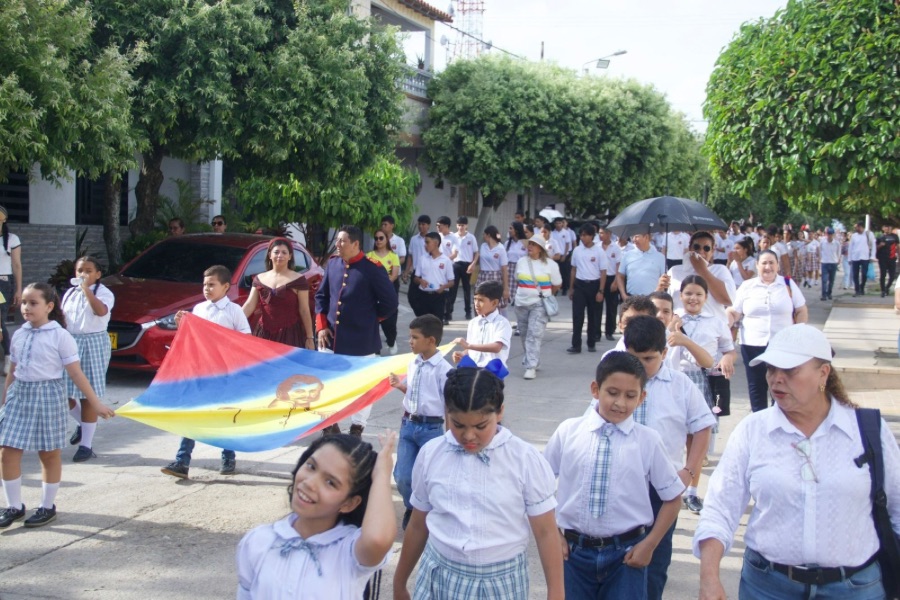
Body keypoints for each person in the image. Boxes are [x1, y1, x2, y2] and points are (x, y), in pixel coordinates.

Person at [695, 324, 900, 600]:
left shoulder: (866, 430)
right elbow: (720, 508)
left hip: (855, 589)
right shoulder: (753, 430)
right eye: (770, 369)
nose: (776, 379)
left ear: (823, 373)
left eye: (790, 371)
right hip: (768, 587)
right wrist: (709, 577)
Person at [393, 364, 565, 600]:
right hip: (439, 574)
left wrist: (556, 593)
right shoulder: (431, 453)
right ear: (446, 413)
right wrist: (399, 582)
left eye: (480, 426)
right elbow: (417, 523)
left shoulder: (525, 459)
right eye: (458, 425)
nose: (469, 436)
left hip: (500, 582)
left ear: (500, 412)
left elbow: (546, 532)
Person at [594, 315, 715, 600]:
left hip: (661, 491)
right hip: (618, 485)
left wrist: (689, 471)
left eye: (648, 359)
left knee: (654, 563)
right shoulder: (615, 382)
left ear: (665, 353)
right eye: (633, 357)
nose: (640, 366)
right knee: (617, 563)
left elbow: (702, 427)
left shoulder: (680, 385)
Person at [545, 352, 684, 598]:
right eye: (612, 392)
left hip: (626, 557)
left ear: (642, 397)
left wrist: (649, 544)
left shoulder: (648, 441)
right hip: (573, 556)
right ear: (595, 389)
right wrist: (554, 536)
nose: (620, 403)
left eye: (630, 396)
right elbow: (539, 488)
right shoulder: (569, 431)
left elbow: (673, 498)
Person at [0, 283, 115, 529]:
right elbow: (13, 369)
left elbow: (76, 374)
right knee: (7, 451)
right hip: (20, 395)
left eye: (33, 303)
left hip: (48, 395)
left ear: (49, 307)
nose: (26, 308)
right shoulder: (20, 333)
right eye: (24, 303)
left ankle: (47, 506)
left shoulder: (60, 336)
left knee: (48, 453)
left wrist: (95, 403)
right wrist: (5, 396)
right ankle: (14, 506)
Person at [237, 433, 397, 599]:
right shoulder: (259, 541)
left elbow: (378, 539)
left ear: (349, 503)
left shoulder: (349, 551)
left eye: (330, 482)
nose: (310, 483)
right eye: (311, 466)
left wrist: (382, 474)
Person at [161, 265, 250, 479]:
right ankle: (182, 460)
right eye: (204, 285)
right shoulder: (199, 309)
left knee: (223, 414)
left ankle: (228, 454)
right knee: (194, 413)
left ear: (226, 287)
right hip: (200, 371)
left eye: (212, 284)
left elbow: (245, 338)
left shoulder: (234, 311)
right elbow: (191, 337)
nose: (207, 289)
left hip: (225, 372)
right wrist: (182, 324)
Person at [316, 226, 398, 437]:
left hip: (361, 340)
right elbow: (321, 297)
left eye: (342, 241)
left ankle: (357, 427)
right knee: (326, 383)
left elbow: (390, 302)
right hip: (331, 338)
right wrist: (321, 326)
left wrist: (371, 319)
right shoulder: (333, 264)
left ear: (355, 244)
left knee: (363, 388)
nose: (338, 245)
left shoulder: (372, 268)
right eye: (338, 241)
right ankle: (329, 423)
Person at [669, 276, 736, 515]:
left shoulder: (716, 321)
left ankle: (692, 491)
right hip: (674, 378)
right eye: (688, 293)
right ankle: (669, 489)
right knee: (672, 437)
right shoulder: (671, 318)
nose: (693, 298)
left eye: (698, 294)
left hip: (702, 381)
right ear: (681, 295)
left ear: (706, 297)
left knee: (697, 441)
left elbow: (729, 349)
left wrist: (727, 358)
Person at [388, 315, 451, 531]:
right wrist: (401, 387)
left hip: (431, 429)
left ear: (431, 341)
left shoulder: (444, 370)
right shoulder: (412, 363)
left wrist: (450, 436)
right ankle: (412, 507)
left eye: (415, 337)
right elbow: (416, 394)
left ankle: (427, 513)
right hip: (408, 425)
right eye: (410, 337)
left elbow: (447, 405)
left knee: (429, 476)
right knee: (403, 476)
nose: (410, 341)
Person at [726, 250, 808, 413]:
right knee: (756, 387)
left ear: (777, 265)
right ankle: (759, 422)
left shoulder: (787, 284)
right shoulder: (747, 286)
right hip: (752, 345)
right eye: (764, 263)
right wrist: (725, 321)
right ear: (757, 266)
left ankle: (779, 418)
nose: (768, 267)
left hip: (782, 346)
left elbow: (801, 310)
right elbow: (734, 312)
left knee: (781, 386)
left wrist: (798, 333)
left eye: (771, 263)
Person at [61, 256, 115, 463]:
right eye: (79, 270)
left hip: (93, 342)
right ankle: (84, 425)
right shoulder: (69, 294)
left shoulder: (104, 293)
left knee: (87, 393)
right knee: (63, 390)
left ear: (97, 274)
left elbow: (100, 311)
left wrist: (86, 290)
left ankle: (86, 445)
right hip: (71, 340)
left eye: (88, 270)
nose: (82, 274)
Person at [242, 238, 315, 350]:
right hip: (264, 334)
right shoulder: (259, 278)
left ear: (290, 256)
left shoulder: (299, 280)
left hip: (290, 335)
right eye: (276, 252)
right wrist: (230, 323)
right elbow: (249, 305)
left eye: (284, 252)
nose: (280, 255)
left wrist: (310, 338)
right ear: (270, 255)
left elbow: (304, 310)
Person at [659, 230, 736, 324]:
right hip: (681, 329)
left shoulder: (720, 270)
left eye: (706, 248)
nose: (701, 251)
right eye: (696, 247)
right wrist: (659, 288)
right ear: (690, 248)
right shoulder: (674, 271)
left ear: (712, 251)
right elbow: (665, 303)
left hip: (711, 329)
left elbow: (728, 300)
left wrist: (702, 270)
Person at [515, 236, 562, 380]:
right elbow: (518, 280)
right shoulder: (521, 262)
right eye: (530, 244)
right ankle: (533, 359)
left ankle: (530, 366)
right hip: (521, 303)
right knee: (524, 334)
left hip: (539, 304)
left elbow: (557, 284)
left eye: (534, 245)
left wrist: (546, 295)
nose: (530, 247)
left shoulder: (551, 264)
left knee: (534, 335)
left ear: (540, 248)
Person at [452, 280, 512, 367]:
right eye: (475, 299)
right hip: (474, 370)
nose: (476, 304)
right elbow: (472, 349)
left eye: (481, 300)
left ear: (494, 302)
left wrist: (468, 345)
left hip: (492, 373)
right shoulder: (473, 323)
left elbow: (496, 347)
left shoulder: (502, 323)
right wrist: (462, 354)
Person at [567, 223, 607, 354]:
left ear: (591, 236)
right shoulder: (577, 250)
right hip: (580, 285)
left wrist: (601, 290)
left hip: (594, 285)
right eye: (581, 235)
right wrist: (571, 288)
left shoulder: (599, 251)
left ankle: (591, 342)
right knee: (577, 316)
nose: (583, 238)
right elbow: (573, 269)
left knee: (593, 316)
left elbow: (603, 272)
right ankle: (576, 344)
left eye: (585, 235)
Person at [367, 230, 401, 355]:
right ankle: (376, 350)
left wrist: (383, 286)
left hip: (388, 291)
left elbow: (394, 275)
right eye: (376, 238)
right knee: (373, 321)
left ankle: (391, 341)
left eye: (381, 238)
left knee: (389, 322)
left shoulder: (393, 256)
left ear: (387, 239)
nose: (378, 241)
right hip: (372, 292)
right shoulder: (369, 255)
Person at [0, 206, 22, 374]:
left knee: (0, 321)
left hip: (3, 282)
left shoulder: (11, 239)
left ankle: (8, 356)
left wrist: (19, 289)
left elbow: (16, 265)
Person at [413, 232, 454, 322]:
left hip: (438, 296)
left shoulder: (446, 260)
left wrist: (443, 287)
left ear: (436, 243)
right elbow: (415, 278)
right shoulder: (422, 258)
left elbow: (451, 282)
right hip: (424, 295)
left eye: (427, 242)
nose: (425, 245)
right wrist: (420, 281)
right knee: (423, 324)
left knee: (436, 324)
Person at [617, 232, 666, 300]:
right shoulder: (627, 255)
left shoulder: (660, 257)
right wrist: (623, 294)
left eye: (636, 236)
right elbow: (620, 276)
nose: (634, 239)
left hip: (652, 299)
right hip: (631, 298)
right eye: (633, 237)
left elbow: (663, 279)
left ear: (646, 237)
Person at [446, 216, 478, 322]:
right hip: (455, 264)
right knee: (453, 289)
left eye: (463, 225)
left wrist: (473, 264)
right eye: (459, 225)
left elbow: (476, 252)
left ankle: (468, 311)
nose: (461, 227)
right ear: (456, 225)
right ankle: (449, 312)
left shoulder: (471, 237)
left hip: (467, 265)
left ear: (466, 226)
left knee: (466, 289)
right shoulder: (453, 237)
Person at [595, 227, 623, 342]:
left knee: (611, 307)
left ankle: (609, 331)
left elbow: (618, 266)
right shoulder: (596, 247)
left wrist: (616, 281)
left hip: (611, 278)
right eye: (599, 233)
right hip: (599, 278)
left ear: (609, 234)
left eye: (603, 233)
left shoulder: (616, 248)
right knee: (597, 307)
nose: (601, 235)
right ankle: (596, 332)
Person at [474, 225, 510, 311]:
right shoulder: (483, 246)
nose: (483, 236)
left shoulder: (500, 248)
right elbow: (478, 256)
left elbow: (504, 270)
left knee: (493, 300)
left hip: (495, 276)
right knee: (480, 297)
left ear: (488, 235)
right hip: (482, 275)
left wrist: (506, 288)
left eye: (484, 234)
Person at [403, 215, 432, 317]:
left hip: (428, 272)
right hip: (416, 272)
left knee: (425, 297)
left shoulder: (433, 239)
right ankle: (421, 316)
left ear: (428, 225)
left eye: (423, 224)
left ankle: (426, 317)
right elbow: (410, 256)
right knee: (412, 297)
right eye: (419, 224)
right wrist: (406, 271)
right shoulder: (414, 239)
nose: (421, 226)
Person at [506, 221, 528, 332]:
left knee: (520, 300)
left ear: (517, 230)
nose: (509, 231)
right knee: (508, 299)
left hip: (522, 271)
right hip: (509, 271)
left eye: (511, 228)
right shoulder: (507, 244)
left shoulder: (525, 243)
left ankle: (521, 325)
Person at [849, 221, 876, 297]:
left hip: (865, 257)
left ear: (861, 227)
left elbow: (873, 246)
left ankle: (862, 287)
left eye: (857, 227)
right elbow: (850, 247)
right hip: (855, 257)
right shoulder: (854, 236)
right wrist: (849, 258)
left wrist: (872, 256)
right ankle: (857, 290)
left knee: (864, 274)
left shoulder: (869, 234)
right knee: (855, 275)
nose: (856, 229)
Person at [380, 216, 407, 290]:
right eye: (382, 225)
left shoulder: (399, 240)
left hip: (393, 275)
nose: (383, 227)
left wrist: (390, 264)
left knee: (393, 298)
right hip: (380, 275)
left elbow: (402, 258)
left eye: (385, 224)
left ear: (392, 226)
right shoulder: (378, 239)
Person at [876, 224, 899, 298]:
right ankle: (883, 291)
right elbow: (875, 248)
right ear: (883, 228)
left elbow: (898, 246)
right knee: (883, 275)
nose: (888, 228)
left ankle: (887, 288)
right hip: (882, 258)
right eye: (886, 227)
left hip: (892, 258)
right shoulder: (880, 237)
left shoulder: (894, 236)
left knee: (892, 276)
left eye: (889, 227)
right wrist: (880, 245)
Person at [819, 227, 841, 301]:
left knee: (831, 280)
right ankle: (823, 295)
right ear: (826, 234)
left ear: (833, 235)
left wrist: (838, 259)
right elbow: (819, 251)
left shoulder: (837, 243)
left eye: (831, 234)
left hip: (833, 262)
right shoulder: (822, 242)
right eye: (828, 234)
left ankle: (829, 293)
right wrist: (820, 259)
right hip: (824, 262)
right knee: (824, 280)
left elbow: (839, 252)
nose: (829, 236)